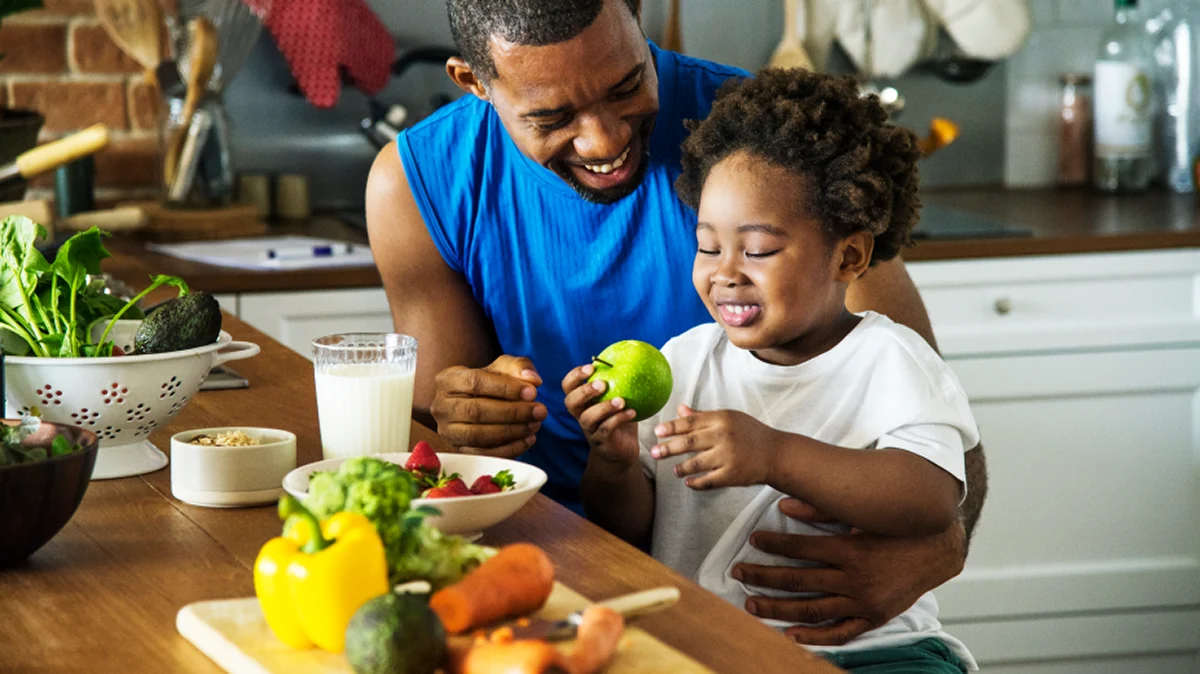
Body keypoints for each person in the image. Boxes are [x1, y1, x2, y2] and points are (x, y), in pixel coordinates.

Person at [365, 0, 989, 648]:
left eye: (627, 85)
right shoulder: (419, 183)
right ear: (473, 82)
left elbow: (939, 436)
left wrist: (941, 548)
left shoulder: (769, 151)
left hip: (807, 622)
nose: (604, 141)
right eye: (552, 117)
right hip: (555, 579)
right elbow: (435, 455)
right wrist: (466, 413)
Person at [563, 68, 977, 673]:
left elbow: (931, 498)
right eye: (708, 245)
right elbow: (628, 526)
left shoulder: (889, 359)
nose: (725, 272)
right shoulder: (685, 361)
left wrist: (774, 455)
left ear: (849, 255)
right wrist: (614, 461)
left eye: (757, 250)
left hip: (873, 653)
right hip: (710, 649)